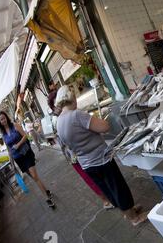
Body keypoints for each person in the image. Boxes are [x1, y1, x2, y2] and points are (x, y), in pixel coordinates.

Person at [55, 86, 148, 226]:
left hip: (86, 164)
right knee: (118, 188)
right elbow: (104, 127)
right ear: (71, 98)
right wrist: (95, 119)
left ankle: (127, 211)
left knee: (109, 190)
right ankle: (134, 218)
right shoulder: (76, 115)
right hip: (101, 159)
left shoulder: (59, 122)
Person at [0, 111, 55, 208]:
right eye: (1, 119)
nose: (3, 120)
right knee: (34, 178)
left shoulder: (15, 125)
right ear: (0, 122)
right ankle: (46, 191)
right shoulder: (3, 135)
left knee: (34, 176)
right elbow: (9, 150)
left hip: (26, 153)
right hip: (18, 158)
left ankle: (47, 198)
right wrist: (12, 164)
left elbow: (25, 136)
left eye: (4, 118)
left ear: (6, 117)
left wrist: (18, 145)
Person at [56, 134, 114, 210]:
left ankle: (108, 197)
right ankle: (106, 199)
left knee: (93, 176)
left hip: (82, 149)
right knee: (90, 178)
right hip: (76, 153)